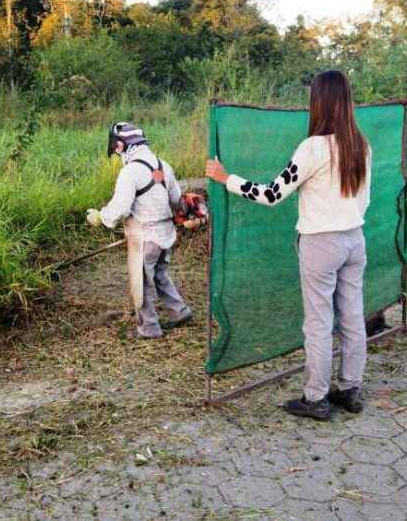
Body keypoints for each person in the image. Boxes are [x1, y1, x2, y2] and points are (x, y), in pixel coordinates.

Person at [206, 70, 371, 421]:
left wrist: (226, 178)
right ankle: (350, 389)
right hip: (355, 240)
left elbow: (271, 194)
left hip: (320, 244)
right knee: (353, 317)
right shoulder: (362, 145)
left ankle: (316, 399)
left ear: (320, 102)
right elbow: (366, 201)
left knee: (318, 322)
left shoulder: (312, 149)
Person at [87, 122, 203, 339]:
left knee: (140, 283)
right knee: (160, 275)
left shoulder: (130, 172)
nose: (117, 154)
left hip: (144, 239)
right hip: (166, 236)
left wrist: (101, 217)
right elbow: (178, 203)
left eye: (116, 149)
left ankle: (149, 328)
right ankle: (180, 311)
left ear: (121, 146)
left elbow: (120, 209)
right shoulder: (162, 166)